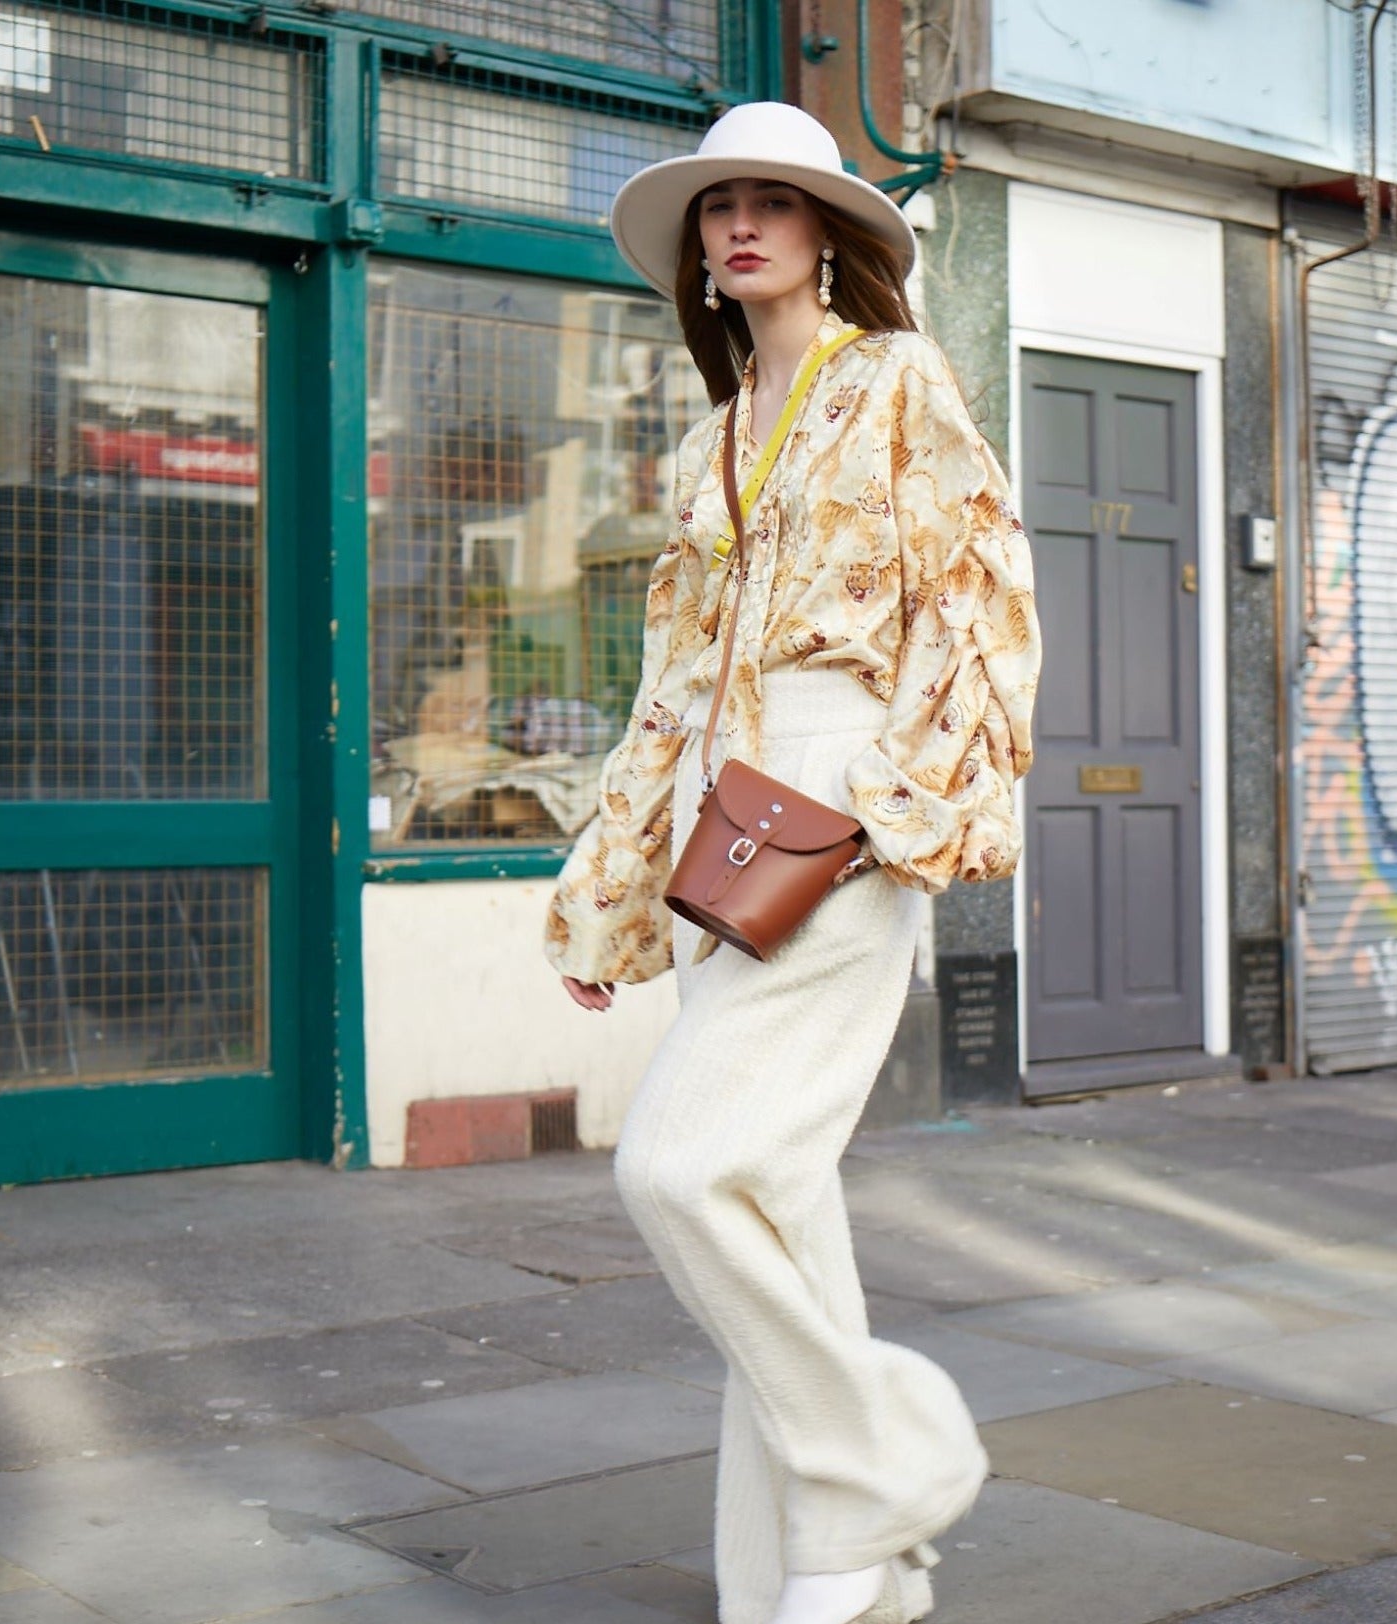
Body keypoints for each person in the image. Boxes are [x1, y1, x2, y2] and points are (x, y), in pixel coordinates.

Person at [546, 101, 1041, 1624]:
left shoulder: (896, 378)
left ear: (831, 234)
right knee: (780, 1199)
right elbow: (672, 685)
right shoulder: (706, 443)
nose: (742, 223)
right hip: (721, 819)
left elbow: (980, 597)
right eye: (718, 208)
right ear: (698, 252)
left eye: (774, 200)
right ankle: (831, 1574)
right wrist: (611, 885)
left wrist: (891, 805)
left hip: (837, 798)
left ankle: (883, 1456)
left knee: (678, 1168)